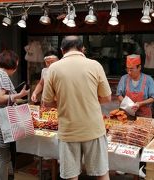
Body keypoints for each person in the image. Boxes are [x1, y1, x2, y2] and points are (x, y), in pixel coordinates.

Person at [42, 36, 112, 180]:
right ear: (83, 49)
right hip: (93, 129)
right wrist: (89, 99)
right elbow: (106, 98)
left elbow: (47, 102)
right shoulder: (95, 65)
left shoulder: (53, 68)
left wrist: (63, 102)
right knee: (101, 174)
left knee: (71, 176)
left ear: (62, 51)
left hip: (68, 130)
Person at [0, 50, 29, 180]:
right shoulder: (2, 76)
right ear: (12, 63)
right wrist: (19, 95)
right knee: (4, 157)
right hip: (3, 121)